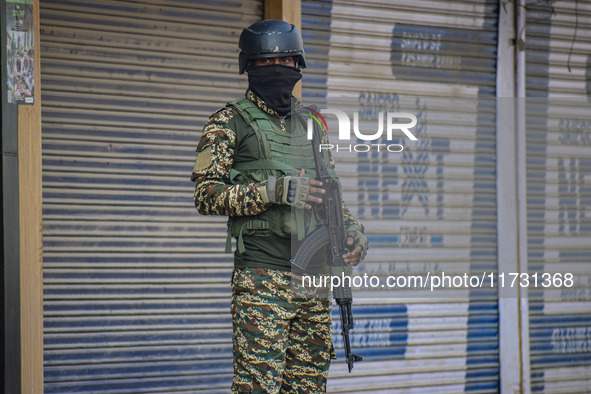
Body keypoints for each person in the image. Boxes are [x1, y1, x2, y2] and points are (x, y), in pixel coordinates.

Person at [191, 19, 368, 393]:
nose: (278, 69)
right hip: (262, 282)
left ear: (299, 65)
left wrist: (354, 234)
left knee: (308, 388)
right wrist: (272, 191)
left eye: (286, 61)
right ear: (249, 68)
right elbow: (206, 195)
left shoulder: (312, 124)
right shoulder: (228, 123)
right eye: (266, 63)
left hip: (315, 284)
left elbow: (331, 196)